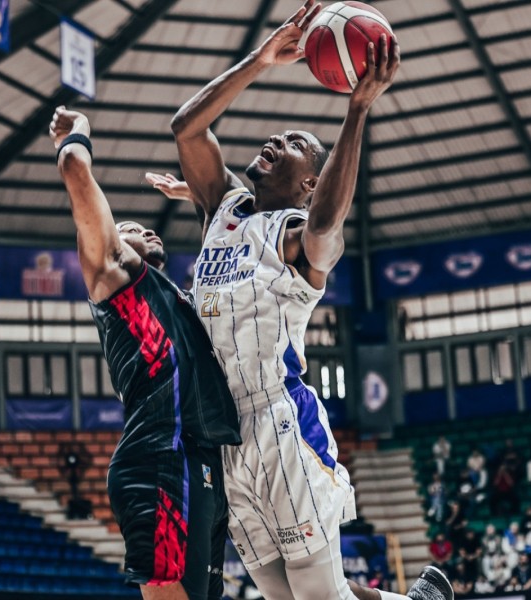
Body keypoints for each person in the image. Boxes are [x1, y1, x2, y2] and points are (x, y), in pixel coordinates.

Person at [168, 2, 448, 600]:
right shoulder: (223, 211)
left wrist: (357, 110)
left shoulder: (298, 234)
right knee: (286, 596)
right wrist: (261, 60)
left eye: (296, 142)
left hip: (280, 423)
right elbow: (186, 129)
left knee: (316, 599)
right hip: (223, 436)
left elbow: (326, 226)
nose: (278, 137)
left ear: (310, 182)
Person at [50, 106, 243, 600]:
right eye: (131, 227)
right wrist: (78, 133)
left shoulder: (177, 297)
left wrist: (207, 200)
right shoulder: (113, 275)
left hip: (201, 458)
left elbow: (245, 226)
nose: (147, 230)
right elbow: (75, 169)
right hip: (159, 454)